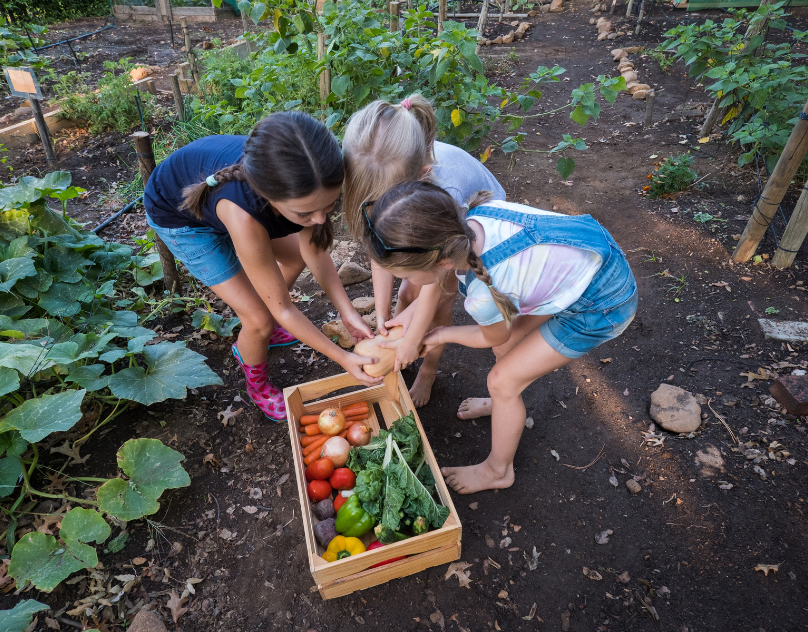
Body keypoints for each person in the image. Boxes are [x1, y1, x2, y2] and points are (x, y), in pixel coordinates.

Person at [361, 181, 637, 494]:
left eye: (406, 276)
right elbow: (437, 284)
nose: (406, 282)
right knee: (507, 349)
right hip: (588, 257)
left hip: (601, 303)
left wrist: (439, 335)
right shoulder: (469, 223)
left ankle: (498, 470)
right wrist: (410, 322)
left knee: (502, 381)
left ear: (442, 262)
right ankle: (502, 405)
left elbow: (490, 335)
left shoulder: (483, 293)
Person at [144, 112, 382, 422]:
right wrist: (343, 358)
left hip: (224, 203)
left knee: (293, 259)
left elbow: (313, 252)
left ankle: (264, 329)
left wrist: (348, 313)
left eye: (329, 205)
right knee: (258, 319)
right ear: (269, 197)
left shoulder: (306, 182)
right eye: (305, 214)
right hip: (179, 216)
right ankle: (257, 384)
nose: (320, 219)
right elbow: (284, 308)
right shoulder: (246, 215)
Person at [342, 94, 506, 407]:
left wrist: (415, 336)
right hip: (429, 231)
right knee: (406, 295)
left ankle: (428, 370)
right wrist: (383, 314)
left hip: (469, 231)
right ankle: (400, 347)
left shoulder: (446, 192)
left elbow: (438, 284)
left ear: (420, 177)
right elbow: (380, 250)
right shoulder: (384, 174)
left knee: (438, 304)